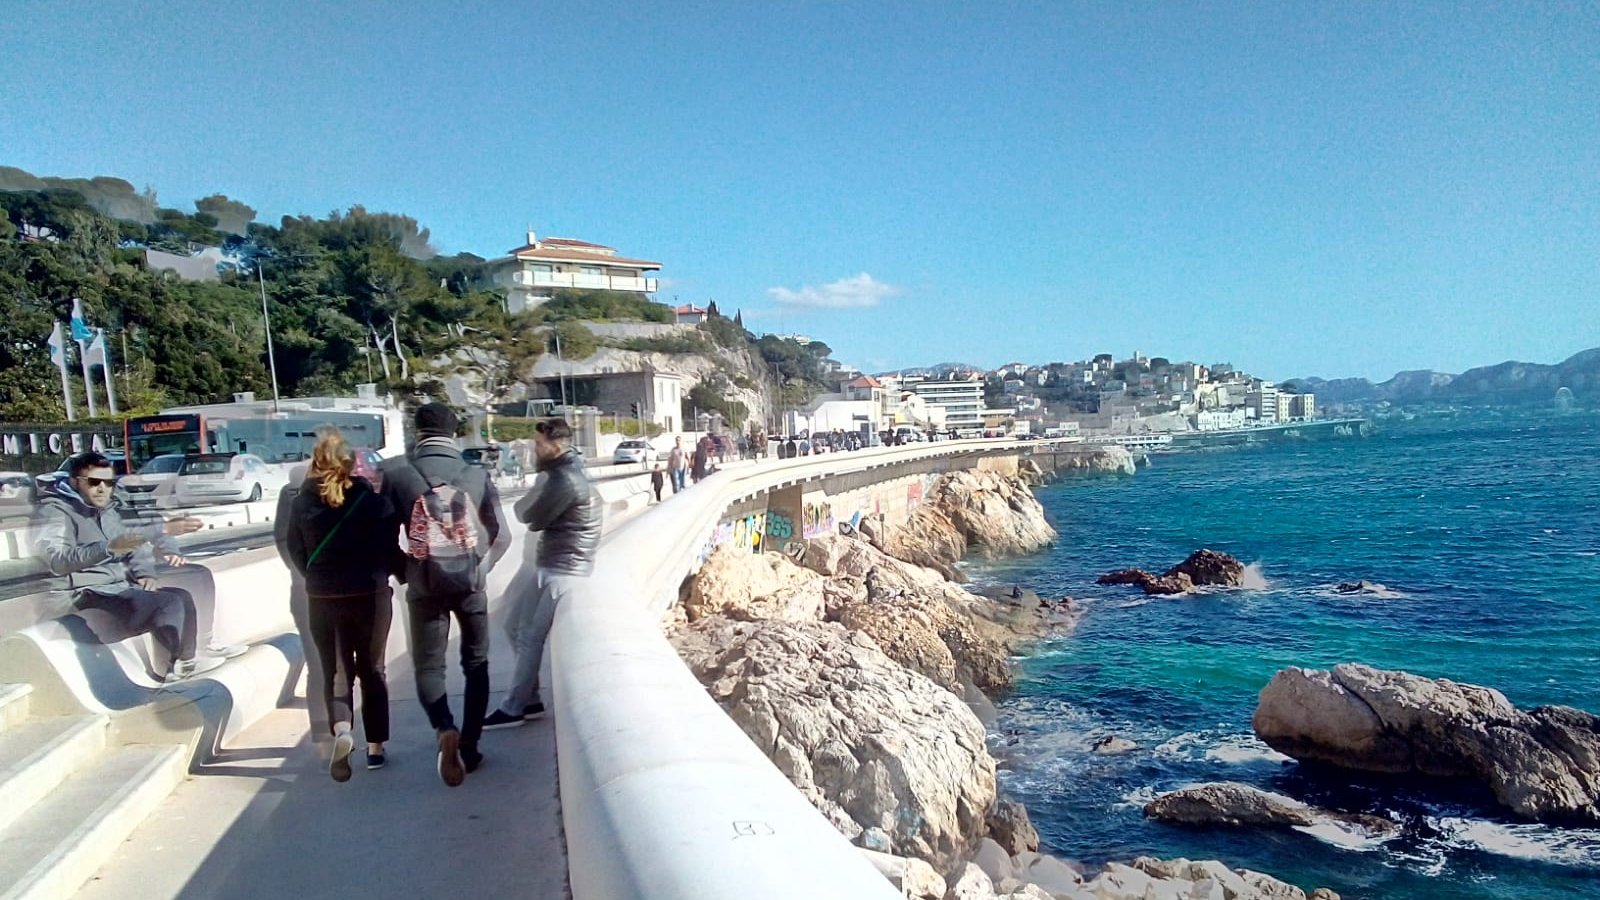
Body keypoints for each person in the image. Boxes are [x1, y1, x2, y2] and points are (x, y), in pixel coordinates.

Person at [379, 403, 509, 787]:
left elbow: (382, 539)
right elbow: (501, 535)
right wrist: (478, 571)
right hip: (470, 585)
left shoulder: (396, 472)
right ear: (454, 433)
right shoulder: (475, 472)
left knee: (430, 667)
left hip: (424, 586)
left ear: (417, 431)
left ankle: (443, 728)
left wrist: (409, 573)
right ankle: (469, 746)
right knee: (477, 663)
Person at [32, 452, 243, 683]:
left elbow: (132, 540)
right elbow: (58, 560)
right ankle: (167, 670)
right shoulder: (55, 511)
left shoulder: (108, 508)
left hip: (115, 586)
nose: (102, 488)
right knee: (166, 603)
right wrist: (109, 548)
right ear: (75, 481)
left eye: (109, 482)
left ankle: (188, 660)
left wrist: (144, 571)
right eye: (94, 482)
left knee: (182, 595)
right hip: (80, 594)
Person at [284, 432, 401, 782]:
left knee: (336, 672)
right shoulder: (372, 501)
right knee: (373, 669)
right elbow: (389, 547)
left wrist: (317, 579)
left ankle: (343, 730)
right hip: (369, 595)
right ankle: (376, 748)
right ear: (351, 464)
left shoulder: (301, 502)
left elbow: (296, 551)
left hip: (323, 599)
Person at [484, 418, 600, 730]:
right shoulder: (559, 473)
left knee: (530, 636)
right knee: (512, 625)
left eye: (538, 444)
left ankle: (516, 705)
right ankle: (529, 697)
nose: (534, 449)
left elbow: (529, 516)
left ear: (555, 445)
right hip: (553, 562)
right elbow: (535, 518)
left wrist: (532, 505)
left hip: (564, 568)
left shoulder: (564, 479)